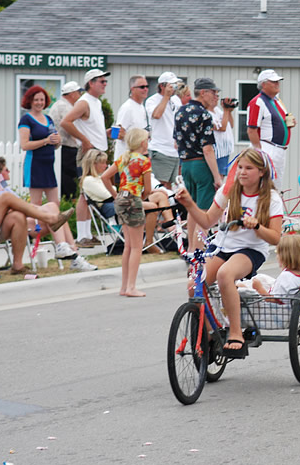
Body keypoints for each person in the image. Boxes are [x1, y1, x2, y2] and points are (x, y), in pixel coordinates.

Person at [174, 148, 283, 357]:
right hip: (225, 247)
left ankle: (236, 334)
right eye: (240, 167)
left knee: (225, 274)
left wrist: (258, 226)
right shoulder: (229, 190)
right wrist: (189, 203)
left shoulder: (270, 198)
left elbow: (276, 238)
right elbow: (206, 221)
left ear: (261, 172)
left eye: (249, 168)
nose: (242, 172)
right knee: (193, 286)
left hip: (251, 250)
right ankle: (211, 332)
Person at [0, 157, 96, 271]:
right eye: (6, 170)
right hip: (10, 225)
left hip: (26, 220)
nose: (9, 172)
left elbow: (23, 205)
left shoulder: (4, 189)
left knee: (53, 208)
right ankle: (72, 255)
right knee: (57, 218)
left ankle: (67, 249)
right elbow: (7, 212)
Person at [60, 68, 112, 248]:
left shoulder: (95, 102)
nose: (105, 84)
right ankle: (82, 236)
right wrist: (84, 140)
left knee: (90, 194)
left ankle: (87, 234)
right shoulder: (84, 102)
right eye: (101, 81)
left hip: (97, 151)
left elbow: (89, 127)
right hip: (89, 153)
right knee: (85, 194)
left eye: (105, 81)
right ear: (91, 83)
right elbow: (65, 122)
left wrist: (105, 134)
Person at [82, 149, 174, 250]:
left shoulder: (100, 178)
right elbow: (108, 195)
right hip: (112, 207)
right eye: (103, 163)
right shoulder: (89, 180)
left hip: (122, 200)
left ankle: (170, 224)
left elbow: (116, 192)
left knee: (160, 195)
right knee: (152, 206)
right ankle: (149, 242)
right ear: (94, 164)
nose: (106, 166)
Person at [101, 128, 152, 297]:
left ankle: (124, 286)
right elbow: (148, 188)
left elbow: (104, 177)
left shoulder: (123, 158)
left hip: (121, 199)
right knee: (137, 246)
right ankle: (131, 287)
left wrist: (115, 194)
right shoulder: (144, 161)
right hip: (133, 199)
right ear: (142, 142)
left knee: (128, 245)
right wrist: (141, 198)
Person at [174, 77, 223, 254]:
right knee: (204, 212)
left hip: (186, 165)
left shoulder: (180, 111)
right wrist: (217, 177)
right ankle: (198, 251)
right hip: (201, 165)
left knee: (192, 208)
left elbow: (175, 143)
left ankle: (190, 248)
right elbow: (208, 149)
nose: (215, 97)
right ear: (203, 93)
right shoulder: (204, 115)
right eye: (213, 93)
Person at [247, 69, 294, 188]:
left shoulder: (276, 101)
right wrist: (259, 151)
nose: (277, 84)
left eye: (277, 81)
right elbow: (251, 129)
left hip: (279, 149)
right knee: (265, 185)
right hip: (268, 146)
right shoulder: (257, 102)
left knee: (275, 186)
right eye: (273, 82)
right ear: (263, 84)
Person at [18, 85, 61, 207]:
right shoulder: (26, 120)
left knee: (54, 203)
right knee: (36, 204)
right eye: (36, 100)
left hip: (48, 166)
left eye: (42, 100)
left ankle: (52, 226)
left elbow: (55, 144)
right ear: (30, 101)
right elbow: (25, 145)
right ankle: (34, 226)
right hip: (35, 165)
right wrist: (45, 141)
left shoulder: (48, 119)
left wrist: (57, 140)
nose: (39, 103)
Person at [49, 81, 84, 200]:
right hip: (67, 147)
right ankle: (70, 200)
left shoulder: (58, 104)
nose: (80, 96)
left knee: (64, 175)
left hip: (61, 147)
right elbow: (69, 125)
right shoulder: (66, 107)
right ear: (72, 94)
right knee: (69, 177)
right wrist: (81, 141)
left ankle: (66, 198)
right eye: (79, 93)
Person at [146, 72, 181, 188]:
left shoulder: (176, 100)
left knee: (171, 185)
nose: (174, 88)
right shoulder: (152, 100)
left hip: (175, 150)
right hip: (161, 149)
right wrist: (166, 97)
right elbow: (156, 115)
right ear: (162, 86)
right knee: (160, 184)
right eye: (171, 85)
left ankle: (169, 206)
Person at [114, 75, 150, 158]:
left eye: (147, 86)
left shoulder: (141, 107)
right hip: (125, 159)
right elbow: (117, 133)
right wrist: (135, 141)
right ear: (132, 89)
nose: (145, 89)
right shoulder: (127, 108)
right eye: (142, 87)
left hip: (138, 158)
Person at [212, 96, 236, 177]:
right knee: (218, 178)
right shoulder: (207, 113)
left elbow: (231, 124)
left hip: (225, 150)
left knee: (221, 176)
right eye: (214, 95)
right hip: (218, 151)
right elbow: (222, 128)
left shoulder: (217, 110)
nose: (217, 98)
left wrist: (228, 111)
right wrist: (226, 110)